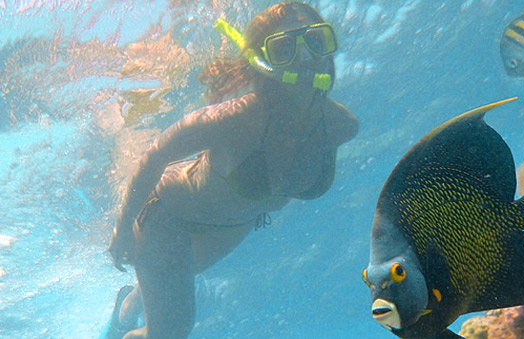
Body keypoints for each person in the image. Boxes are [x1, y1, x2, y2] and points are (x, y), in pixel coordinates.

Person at [102, 2, 359, 338]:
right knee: (170, 332)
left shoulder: (341, 126)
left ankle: (126, 307)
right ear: (262, 63)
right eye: (284, 48)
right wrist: (122, 229)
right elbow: (156, 154)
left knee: (164, 288)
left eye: (316, 40)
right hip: (167, 217)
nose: (307, 57)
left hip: (230, 229)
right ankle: (119, 328)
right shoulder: (236, 119)